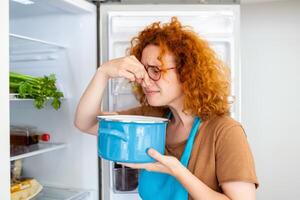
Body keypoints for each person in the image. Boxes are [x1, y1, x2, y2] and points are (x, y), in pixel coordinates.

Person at [74, 17, 259, 200]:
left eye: (155, 70)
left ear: (187, 73)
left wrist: (178, 171)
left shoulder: (225, 132)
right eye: (144, 70)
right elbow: (86, 123)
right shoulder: (151, 118)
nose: (145, 80)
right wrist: (103, 73)